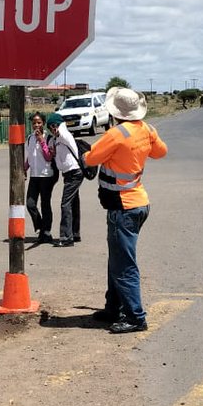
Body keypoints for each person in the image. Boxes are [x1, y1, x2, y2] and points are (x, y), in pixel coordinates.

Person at [84, 86, 168, 333]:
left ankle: (135, 316)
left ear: (115, 112)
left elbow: (90, 159)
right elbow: (161, 152)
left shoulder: (115, 134)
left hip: (123, 206)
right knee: (118, 259)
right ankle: (114, 308)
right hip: (139, 203)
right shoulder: (148, 129)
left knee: (124, 265)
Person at [45, 111, 83, 247]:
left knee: (65, 203)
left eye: (54, 127)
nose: (52, 130)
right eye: (50, 128)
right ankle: (75, 233)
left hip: (74, 172)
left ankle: (67, 237)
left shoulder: (64, 135)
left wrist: (59, 128)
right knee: (73, 203)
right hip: (69, 173)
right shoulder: (58, 140)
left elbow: (62, 131)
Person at [24, 112, 56, 244]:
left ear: (43, 123)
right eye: (34, 123)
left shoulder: (49, 138)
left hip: (46, 175)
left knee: (45, 204)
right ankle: (40, 227)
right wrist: (24, 169)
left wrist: (42, 141)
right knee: (30, 204)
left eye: (39, 122)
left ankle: (46, 232)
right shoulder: (30, 138)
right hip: (34, 176)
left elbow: (48, 157)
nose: (36, 125)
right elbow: (29, 156)